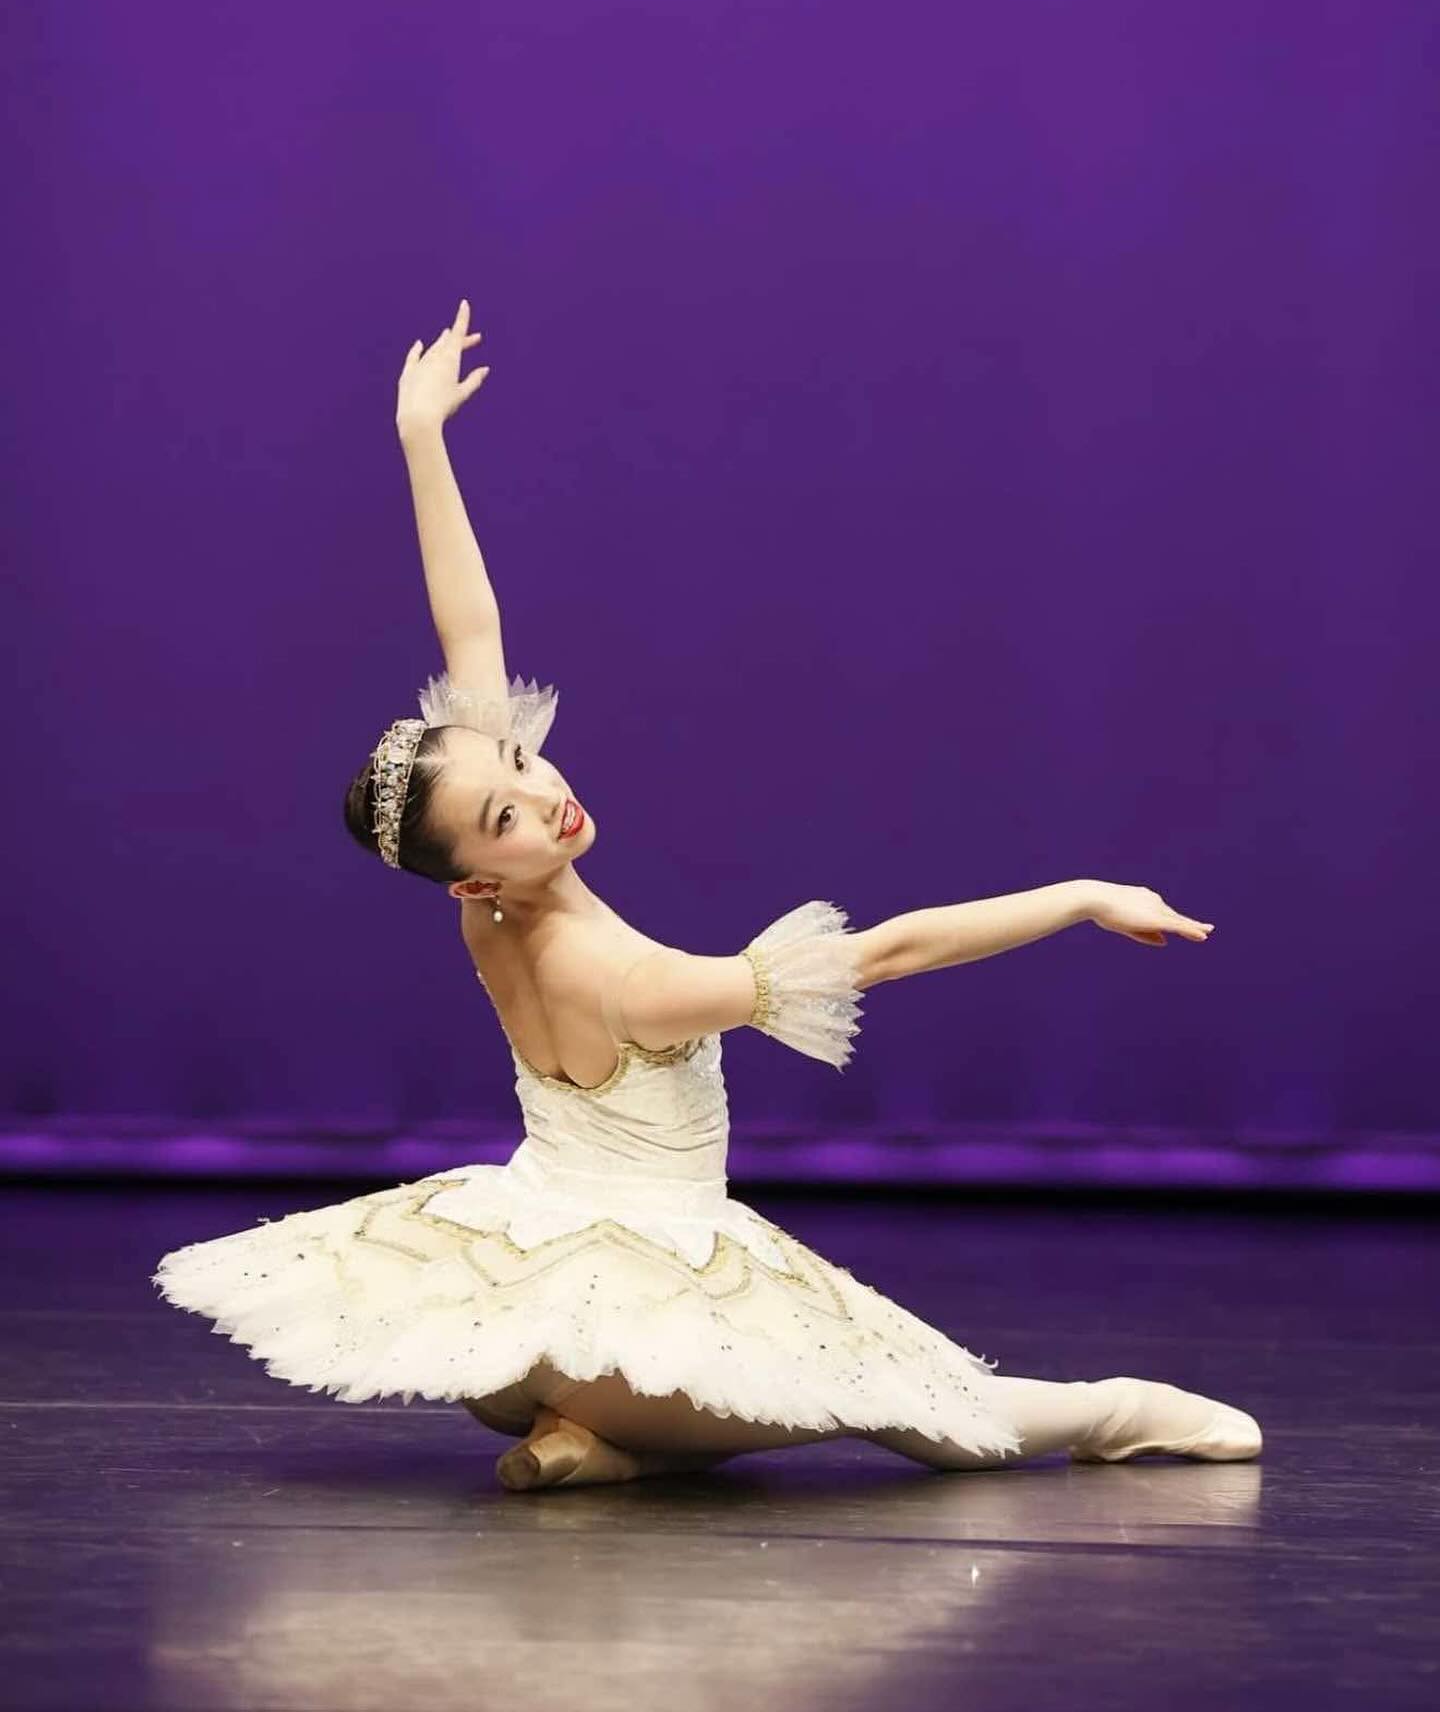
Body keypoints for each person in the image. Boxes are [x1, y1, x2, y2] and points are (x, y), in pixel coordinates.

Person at [152, 299, 1262, 1492]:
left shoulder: (484, 912)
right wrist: (1084, 893)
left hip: (503, 1325)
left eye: (523, 763)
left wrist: (422, 438)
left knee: (633, 1384)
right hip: (627, 1327)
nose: (546, 793)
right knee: (921, 1411)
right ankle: (1105, 1410)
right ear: (477, 870)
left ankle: (589, 1447)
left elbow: (467, 625)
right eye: (509, 814)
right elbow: (885, 955)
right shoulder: (628, 978)